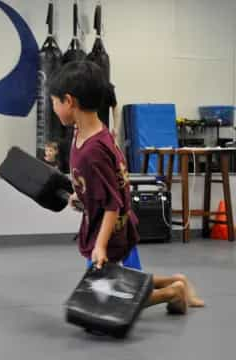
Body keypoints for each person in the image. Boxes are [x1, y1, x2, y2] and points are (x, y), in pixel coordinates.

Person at [49, 61, 204, 314]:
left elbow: (112, 203)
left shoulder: (94, 150)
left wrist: (100, 246)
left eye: (54, 102)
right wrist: (82, 195)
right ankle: (178, 281)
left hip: (108, 230)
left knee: (111, 296)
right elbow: (101, 184)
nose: (53, 108)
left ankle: (173, 292)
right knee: (117, 282)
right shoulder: (83, 133)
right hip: (103, 223)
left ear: (69, 101)